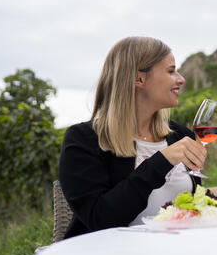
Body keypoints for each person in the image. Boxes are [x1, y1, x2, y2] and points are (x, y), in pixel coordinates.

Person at [59, 37, 207, 238]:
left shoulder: (180, 136)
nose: (181, 79)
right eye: (171, 71)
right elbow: (100, 220)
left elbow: (193, 208)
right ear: (139, 79)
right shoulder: (84, 140)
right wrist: (161, 161)